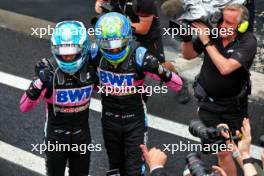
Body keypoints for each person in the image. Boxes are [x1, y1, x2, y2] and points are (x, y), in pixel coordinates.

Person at [91, 12, 183, 176]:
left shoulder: (140, 56)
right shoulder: (94, 53)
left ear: (127, 38)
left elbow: (178, 84)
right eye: (108, 44)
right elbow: (86, 82)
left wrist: (160, 70)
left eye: (118, 43)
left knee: (134, 170)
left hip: (135, 120)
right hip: (109, 118)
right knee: (115, 167)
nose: (114, 48)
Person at [181, 3, 257, 176]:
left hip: (234, 108)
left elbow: (226, 68)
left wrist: (206, 41)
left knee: (236, 150)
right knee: (222, 153)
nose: (223, 25)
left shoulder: (248, 41)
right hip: (208, 106)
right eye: (222, 20)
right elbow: (188, 55)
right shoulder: (213, 31)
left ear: (241, 25)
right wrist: (186, 38)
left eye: (229, 23)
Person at [19, 21, 98, 176]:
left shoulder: (92, 69)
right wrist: (38, 83)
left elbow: (111, 90)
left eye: (72, 52)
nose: (67, 57)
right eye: (63, 52)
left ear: (83, 48)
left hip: (82, 138)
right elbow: (23, 107)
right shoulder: (48, 72)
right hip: (55, 139)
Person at [95, 0, 191, 104]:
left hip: (146, 37)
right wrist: (99, 4)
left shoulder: (144, 2)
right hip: (123, 34)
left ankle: (181, 82)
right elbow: (101, 2)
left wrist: (120, 26)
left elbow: (144, 28)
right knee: (118, 58)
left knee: (161, 66)